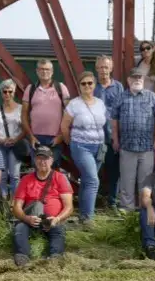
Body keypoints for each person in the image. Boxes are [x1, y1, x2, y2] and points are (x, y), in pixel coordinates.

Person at [11, 146, 73, 267]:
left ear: (51, 160)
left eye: (45, 158)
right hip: (30, 219)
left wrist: (57, 219)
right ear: (35, 160)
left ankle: (55, 257)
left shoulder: (60, 177)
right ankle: (22, 257)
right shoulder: (26, 179)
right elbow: (16, 206)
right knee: (19, 229)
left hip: (52, 220)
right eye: (39, 158)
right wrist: (26, 218)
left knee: (58, 231)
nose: (42, 161)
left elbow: (69, 207)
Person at [111, 68, 155, 212]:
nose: (137, 80)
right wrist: (115, 139)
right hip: (126, 146)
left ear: (144, 79)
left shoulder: (152, 97)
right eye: (134, 77)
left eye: (139, 77)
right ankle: (126, 209)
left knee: (145, 181)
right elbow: (114, 120)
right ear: (128, 80)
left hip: (147, 147)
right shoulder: (120, 97)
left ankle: (144, 209)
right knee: (127, 180)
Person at [60, 71, 107, 226]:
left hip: (99, 147)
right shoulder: (74, 104)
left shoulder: (100, 103)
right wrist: (71, 142)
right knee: (93, 180)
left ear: (94, 85)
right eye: (83, 83)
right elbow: (64, 127)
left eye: (90, 83)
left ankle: (82, 216)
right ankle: (88, 219)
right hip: (81, 146)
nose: (87, 86)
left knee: (87, 181)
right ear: (79, 86)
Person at [22, 59, 70, 168]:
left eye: (47, 69)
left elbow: (70, 113)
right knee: (37, 169)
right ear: (37, 71)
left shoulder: (61, 87)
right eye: (41, 69)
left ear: (52, 71)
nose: (44, 72)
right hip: (36, 138)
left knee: (52, 169)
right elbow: (23, 115)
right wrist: (30, 136)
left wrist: (62, 136)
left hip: (55, 138)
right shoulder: (30, 89)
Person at [93, 55, 125, 213]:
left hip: (112, 137)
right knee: (94, 171)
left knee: (114, 171)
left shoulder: (118, 87)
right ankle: (94, 201)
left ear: (111, 69)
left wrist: (118, 136)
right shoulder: (92, 86)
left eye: (106, 67)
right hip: (95, 136)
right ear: (96, 68)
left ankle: (112, 201)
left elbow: (122, 111)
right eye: (100, 67)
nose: (103, 70)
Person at [0, 79, 26, 199]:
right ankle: (3, 199)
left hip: (15, 145)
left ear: (14, 92)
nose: (7, 94)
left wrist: (15, 139)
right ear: (1, 93)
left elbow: (25, 129)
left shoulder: (21, 109)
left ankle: (15, 201)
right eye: (4, 92)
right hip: (0, 145)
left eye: (10, 91)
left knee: (15, 174)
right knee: (2, 174)